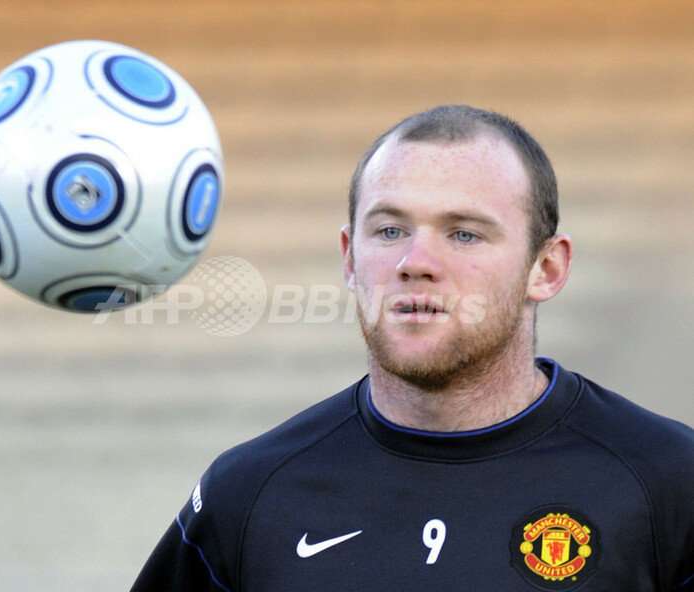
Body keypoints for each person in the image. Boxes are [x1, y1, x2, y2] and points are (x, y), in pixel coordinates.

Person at [130, 105, 694, 591]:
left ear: (545, 268)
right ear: (350, 259)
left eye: (464, 233)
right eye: (390, 231)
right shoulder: (249, 495)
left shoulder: (670, 482)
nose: (414, 263)